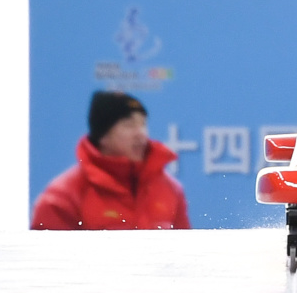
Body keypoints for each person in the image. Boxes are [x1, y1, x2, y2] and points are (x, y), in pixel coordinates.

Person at [31, 91, 190, 230]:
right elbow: (48, 261)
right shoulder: (63, 198)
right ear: (103, 136)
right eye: (129, 125)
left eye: (143, 124)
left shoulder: (170, 189)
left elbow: (185, 256)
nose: (140, 134)